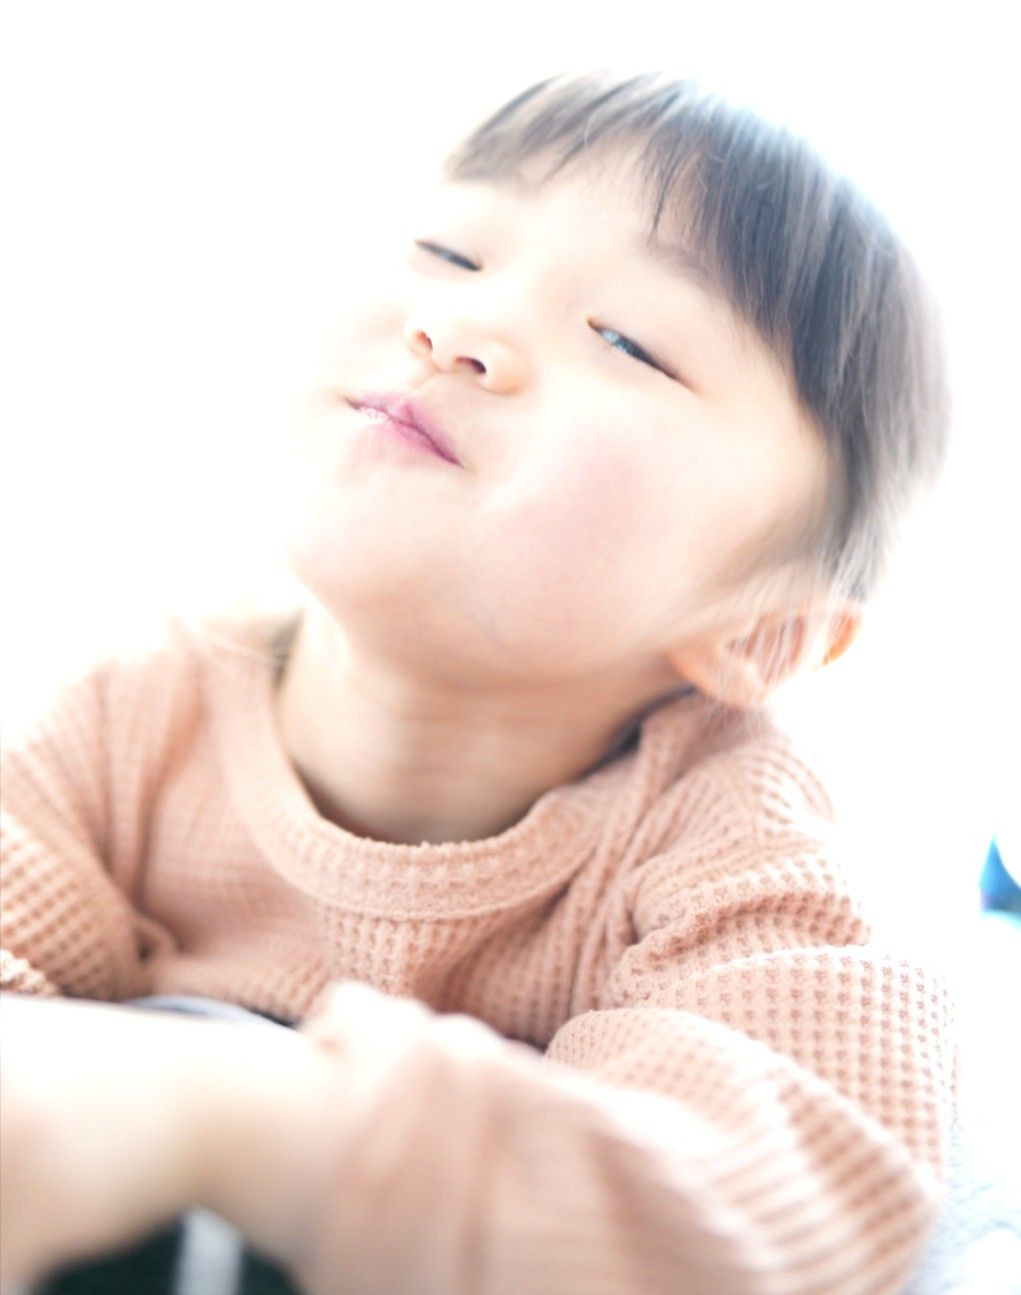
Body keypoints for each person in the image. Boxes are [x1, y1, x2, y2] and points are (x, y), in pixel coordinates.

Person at [0, 67, 958, 1295]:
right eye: (449, 251)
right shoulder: (128, 718)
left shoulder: (735, 846)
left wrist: (251, 1119)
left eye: (627, 339)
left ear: (765, 631)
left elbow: (782, 1197)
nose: (456, 330)